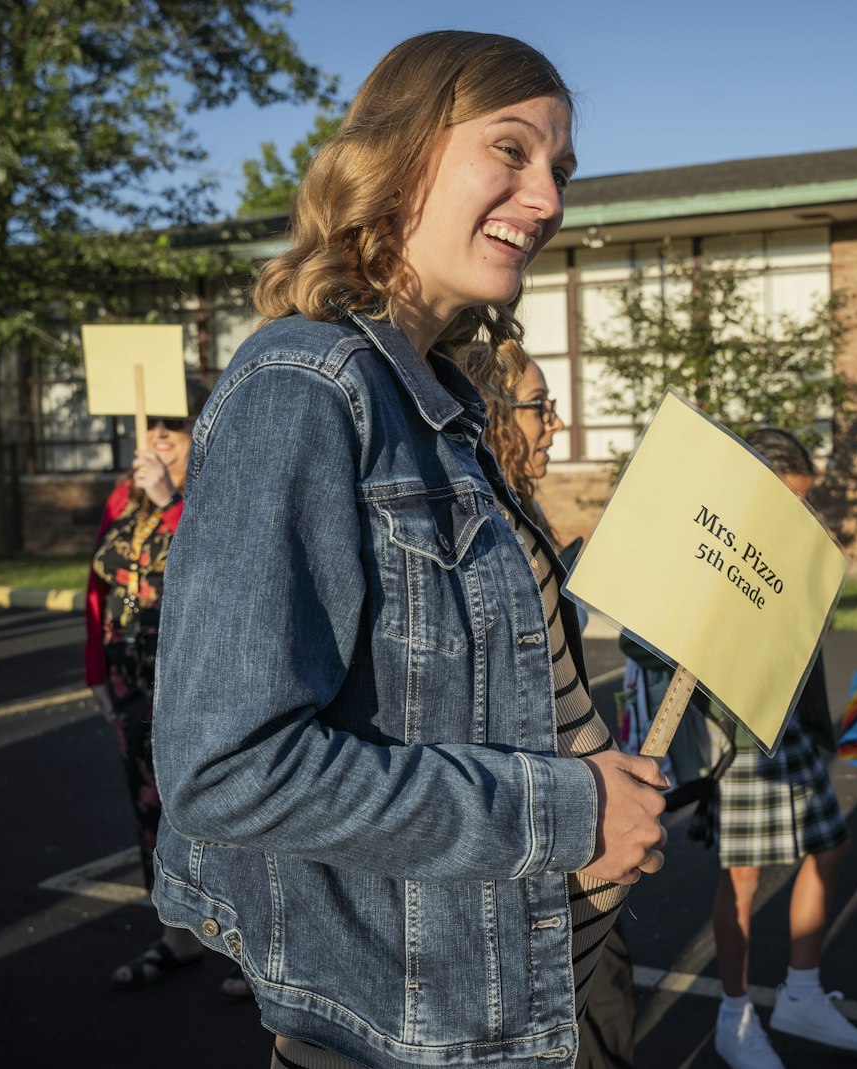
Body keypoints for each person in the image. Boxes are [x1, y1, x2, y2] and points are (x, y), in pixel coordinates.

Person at [149, 32, 667, 1069]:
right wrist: (570, 809)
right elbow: (230, 770)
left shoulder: (437, 404)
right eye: (511, 151)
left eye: (558, 170)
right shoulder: (306, 386)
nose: (549, 199)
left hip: (521, 992)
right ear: (398, 153)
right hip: (405, 1034)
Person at [463, 337, 636, 1069]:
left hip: (578, 818)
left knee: (606, 1009)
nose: (556, 423)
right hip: (543, 836)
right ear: (497, 413)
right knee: (584, 1025)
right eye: (542, 406)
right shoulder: (481, 526)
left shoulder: (516, 509)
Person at [709, 427, 857, 1069]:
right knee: (743, 879)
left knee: (830, 846)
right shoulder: (717, 545)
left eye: (806, 501)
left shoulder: (787, 548)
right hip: (740, 726)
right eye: (792, 501)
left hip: (786, 723)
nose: (801, 514)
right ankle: (733, 1018)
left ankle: (801, 994)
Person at [84, 382, 246, 995]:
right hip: (132, 680)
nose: (156, 437)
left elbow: (223, 565)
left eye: (171, 428)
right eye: (151, 426)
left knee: (214, 808)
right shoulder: (122, 495)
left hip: (194, 677)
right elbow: (97, 587)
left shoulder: (213, 489)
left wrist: (169, 502)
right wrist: (96, 671)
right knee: (150, 808)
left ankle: (247, 943)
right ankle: (177, 935)